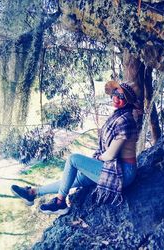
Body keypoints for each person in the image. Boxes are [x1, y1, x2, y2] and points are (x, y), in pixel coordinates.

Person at [11, 80, 140, 215]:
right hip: (116, 166)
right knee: (77, 177)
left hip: (124, 173)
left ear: (128, 101)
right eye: (115, 93)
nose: (116, 98)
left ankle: (60, 203)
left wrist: (98, 158)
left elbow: (110, 155)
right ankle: (33, 193)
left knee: (73, 159)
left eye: (121, 97)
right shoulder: (120, 115)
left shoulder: (125, 121)